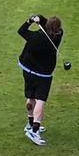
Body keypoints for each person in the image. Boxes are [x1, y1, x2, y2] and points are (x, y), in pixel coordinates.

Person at [17, 14, 63, 145]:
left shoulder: (35, 37)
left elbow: (21, 31)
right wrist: (39, 19)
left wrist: (31, 20)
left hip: (27, 70)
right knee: (40, 101)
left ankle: (30, 124)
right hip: (43, 75)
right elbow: (47, 24)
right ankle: (34, 130)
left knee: (31, 97)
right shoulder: (59, 34)